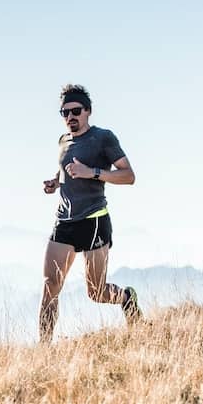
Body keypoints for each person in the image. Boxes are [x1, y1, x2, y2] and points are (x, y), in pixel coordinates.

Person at [39, 83, 140, 342]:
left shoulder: (103, 138)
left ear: (88, 111)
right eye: (65, 113)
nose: (70, 117)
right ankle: (43, 350)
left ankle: (127, 298)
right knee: (50, 285)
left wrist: (92, 173)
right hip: (65, 221)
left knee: (96, 292)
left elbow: (128, 176)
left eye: (76, 111)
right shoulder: (63, 141)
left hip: (94, 220)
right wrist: (55, 182)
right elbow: (66, 170)